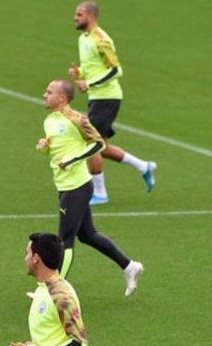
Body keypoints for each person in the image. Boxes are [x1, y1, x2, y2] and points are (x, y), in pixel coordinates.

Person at [36, 79, 144, 296]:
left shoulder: (76, 119)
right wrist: (46, 148)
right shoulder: (49, 120)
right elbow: (59, 151)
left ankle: (55, 290)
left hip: (77, 186)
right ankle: (130, 266)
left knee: (64, 240)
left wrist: (73, 160)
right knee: (88, 234)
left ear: (62, 98)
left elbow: (98, 144)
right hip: (65, 185)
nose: (44, 95)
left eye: (49, 92)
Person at [67, 0, 156, 205]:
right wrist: (79, 73)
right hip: (97, 97)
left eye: (79, 14)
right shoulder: (84, 38)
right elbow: (94, 67)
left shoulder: (101, 39)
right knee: (102, 147)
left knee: (90, 143)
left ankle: (100, 193)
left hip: (107, 97)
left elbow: (116, 70)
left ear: (90, 16)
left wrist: (89, 83)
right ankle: (144, 167)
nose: (75, 18)